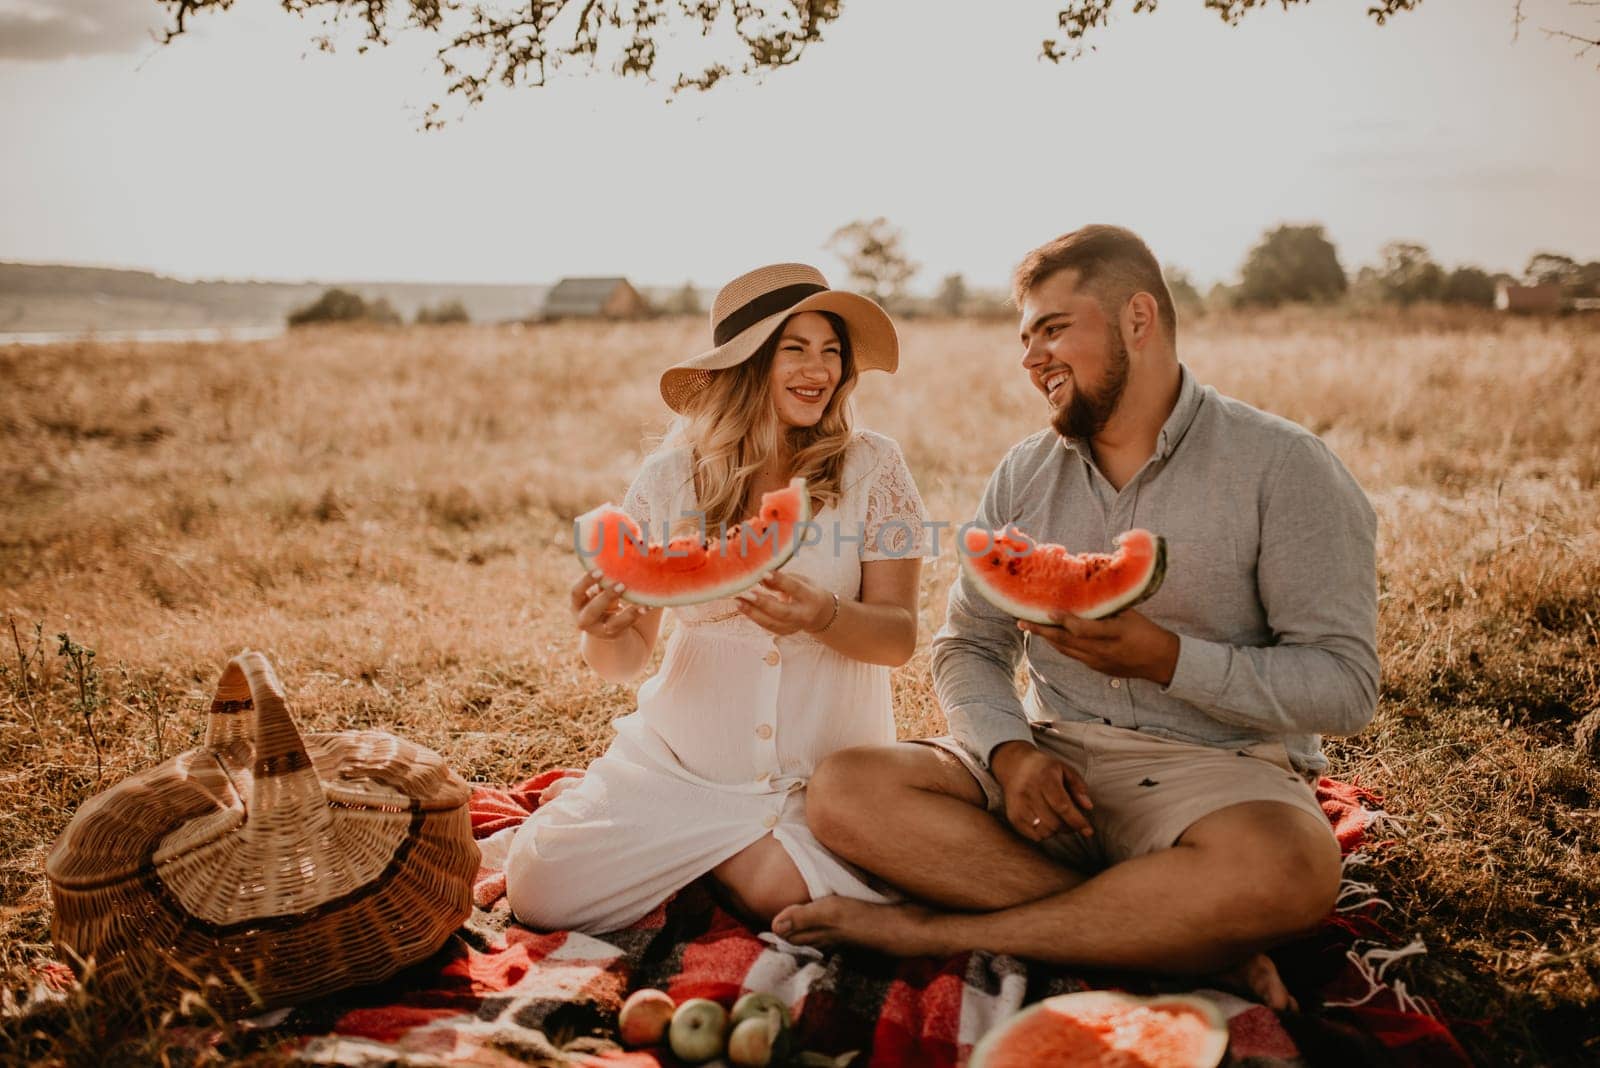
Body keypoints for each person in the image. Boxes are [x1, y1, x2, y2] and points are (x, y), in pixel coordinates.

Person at [772, 225, 1378, 1009]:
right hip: (1051, 765)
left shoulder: (1284, 467)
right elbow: (968, 646)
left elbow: (1345, 686)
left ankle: (934, 933)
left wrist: (1166, 659)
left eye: (1054, 329)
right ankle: (1175, 933)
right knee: (846, 790)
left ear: (1138, 318)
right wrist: (1010, 754)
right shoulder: (1025, 472)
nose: (1031, 358)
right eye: (1025, 339)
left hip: (1217, 776)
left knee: (1292, 868)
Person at [506, 263, 930, 934]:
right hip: (679, 773)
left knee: (808, 904)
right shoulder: (669, 479)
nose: (819, 368)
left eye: (831, 351)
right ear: (746, 364)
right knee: (536, 889)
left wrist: (825, 615)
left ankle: (710, 861)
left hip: (814, 786)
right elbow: (625, 661)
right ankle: (697, 844)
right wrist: (603, 629)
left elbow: (899, 638)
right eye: (795, 349)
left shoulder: (875, 468)